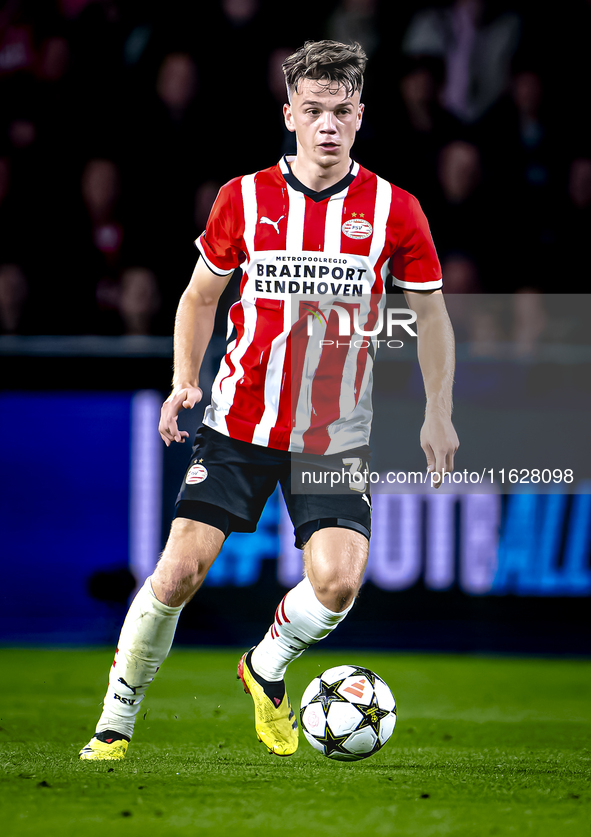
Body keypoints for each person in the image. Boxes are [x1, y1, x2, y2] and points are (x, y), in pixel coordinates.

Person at [79, 39, 459, 761]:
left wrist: (438, 409)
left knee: (340, 582)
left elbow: (432, 315)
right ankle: (115, 717)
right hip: (238, 422)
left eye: (339, 111)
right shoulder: (243, 198)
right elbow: (198, 296)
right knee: (178, 571)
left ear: (359, 117)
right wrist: (183, 378)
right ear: (289, 113)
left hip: (333, 434)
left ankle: (266, 663)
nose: (325, 124)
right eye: (312, 109)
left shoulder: (395, 210)